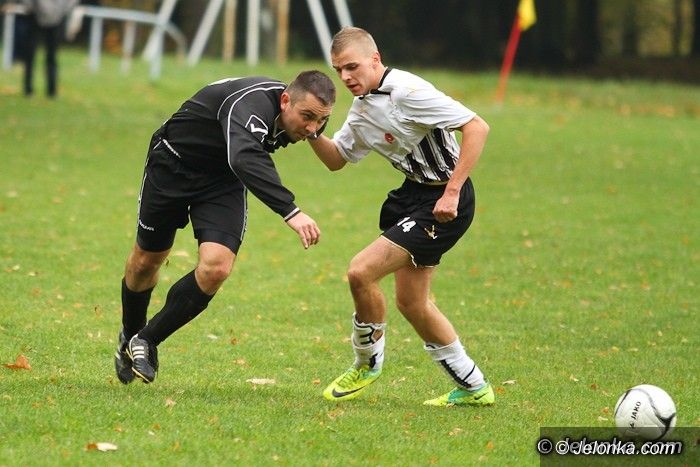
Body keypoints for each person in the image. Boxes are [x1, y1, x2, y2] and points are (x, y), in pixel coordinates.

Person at [308, 27, 494, 407]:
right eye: (339, 70)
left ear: (375, 59)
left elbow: (477, 127)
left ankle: (367, 363)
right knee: (412, 303)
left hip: (445, 200)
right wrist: (312, 131)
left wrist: (452, 191)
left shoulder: (408, 92)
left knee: (361, 271)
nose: (345, 77)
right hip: (413, 195)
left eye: (352, 67)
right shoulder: (362, 109)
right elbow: (337, 159)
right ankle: (475, 387)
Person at [114, 71, 336, 384]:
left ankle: (146, 340)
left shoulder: (301, 118)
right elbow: (244, 156)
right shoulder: (251, 104)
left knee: (217, 268)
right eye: (308, 117)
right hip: (173, 165)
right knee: (146, 262)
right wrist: (291, 211)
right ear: (285, 100)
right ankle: (130, 332)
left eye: (322, 120)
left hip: (222, 180)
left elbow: (327, 154)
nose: (313, 129)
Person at [20, 0, 77, 97]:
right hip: (36, 16)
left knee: (51, 56)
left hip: (54, 17)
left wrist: (62, 12)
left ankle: (51, 90)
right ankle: (29, 89)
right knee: (31, 55)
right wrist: (30, 7)